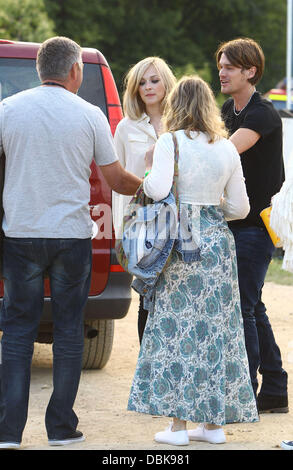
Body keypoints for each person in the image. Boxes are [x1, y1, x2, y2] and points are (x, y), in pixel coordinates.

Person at [0, 36, 141, 450]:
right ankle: (61, 429)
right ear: (75, 70)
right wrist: (154, 187)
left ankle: (7, 433)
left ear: (40, 70)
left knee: (18, 331)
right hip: (72, 238)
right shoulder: (90, 114)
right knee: (66, 334)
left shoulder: (8, 110)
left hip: (21, 235)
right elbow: (116, 180)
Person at [127, 75, 259, 446]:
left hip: (181, 244)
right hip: (218, 246)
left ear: (175, 106)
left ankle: (178, 428)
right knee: (216, 332)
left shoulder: (169, 142)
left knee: (176, 330)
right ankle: (213, 426)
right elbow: (240, 207)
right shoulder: (226, 149)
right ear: (208, 107)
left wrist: (152, 165)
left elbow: (155, 189)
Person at [216, 37, 288, 413]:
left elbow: (225, 151)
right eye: (221, 65)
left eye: (230, 66)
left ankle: (244, 391)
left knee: (241, 307)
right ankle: (275, 389)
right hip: (234, 224)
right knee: (252, 306)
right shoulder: (228, 108)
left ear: (251, 71)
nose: (222, 72)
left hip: (256, 228)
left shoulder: (262, 113)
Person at [112, 57, 176, 344]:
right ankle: (147, 369)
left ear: (166, 82)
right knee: (147, 296)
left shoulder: (182, 122)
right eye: (141, 82)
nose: (148, 87)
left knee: (176, 295)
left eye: (154, 80)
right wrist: (120, 232)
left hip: (179, 223)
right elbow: (117, 182)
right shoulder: (126, 128)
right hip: (142, 224)